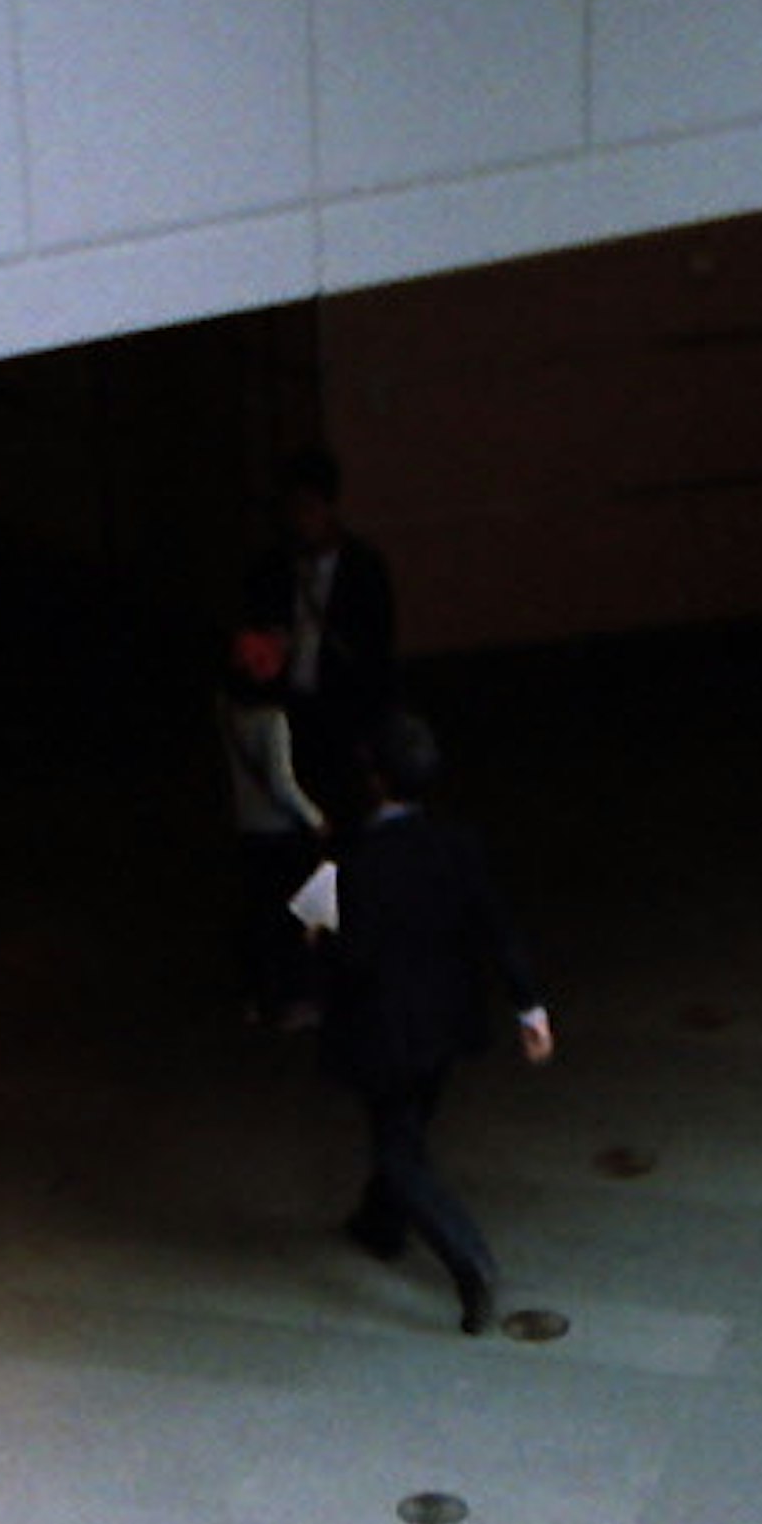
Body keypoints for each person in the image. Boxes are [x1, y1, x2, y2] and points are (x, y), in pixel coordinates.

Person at [304, 713, 551, 1337]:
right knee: (410, 1122)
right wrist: (530, 1009)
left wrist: (315, 945)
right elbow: (498, 928)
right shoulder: (458, 844)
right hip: (447, 1018)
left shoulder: (350, 857)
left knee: (397, 1144)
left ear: (375, 779)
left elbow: (337, 946)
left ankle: (469, 1260)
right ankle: (380, 1223)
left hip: (384, 1027)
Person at [252, 450, 395, 816]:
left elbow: (374, 654)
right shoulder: (275, 570)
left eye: (307, 509)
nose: (300, 521)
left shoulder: (363, 571)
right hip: (291, 710)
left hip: (343, 713)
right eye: (294, 510)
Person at [217, 621, 324, 1021]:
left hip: (247, 826)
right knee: (301, 914)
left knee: (259, 915)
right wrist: (315, 818)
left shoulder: (226, 707)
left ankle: (259, 996)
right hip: (281, 831)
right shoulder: (272, 720)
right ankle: (298, 996)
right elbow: (282, 784)